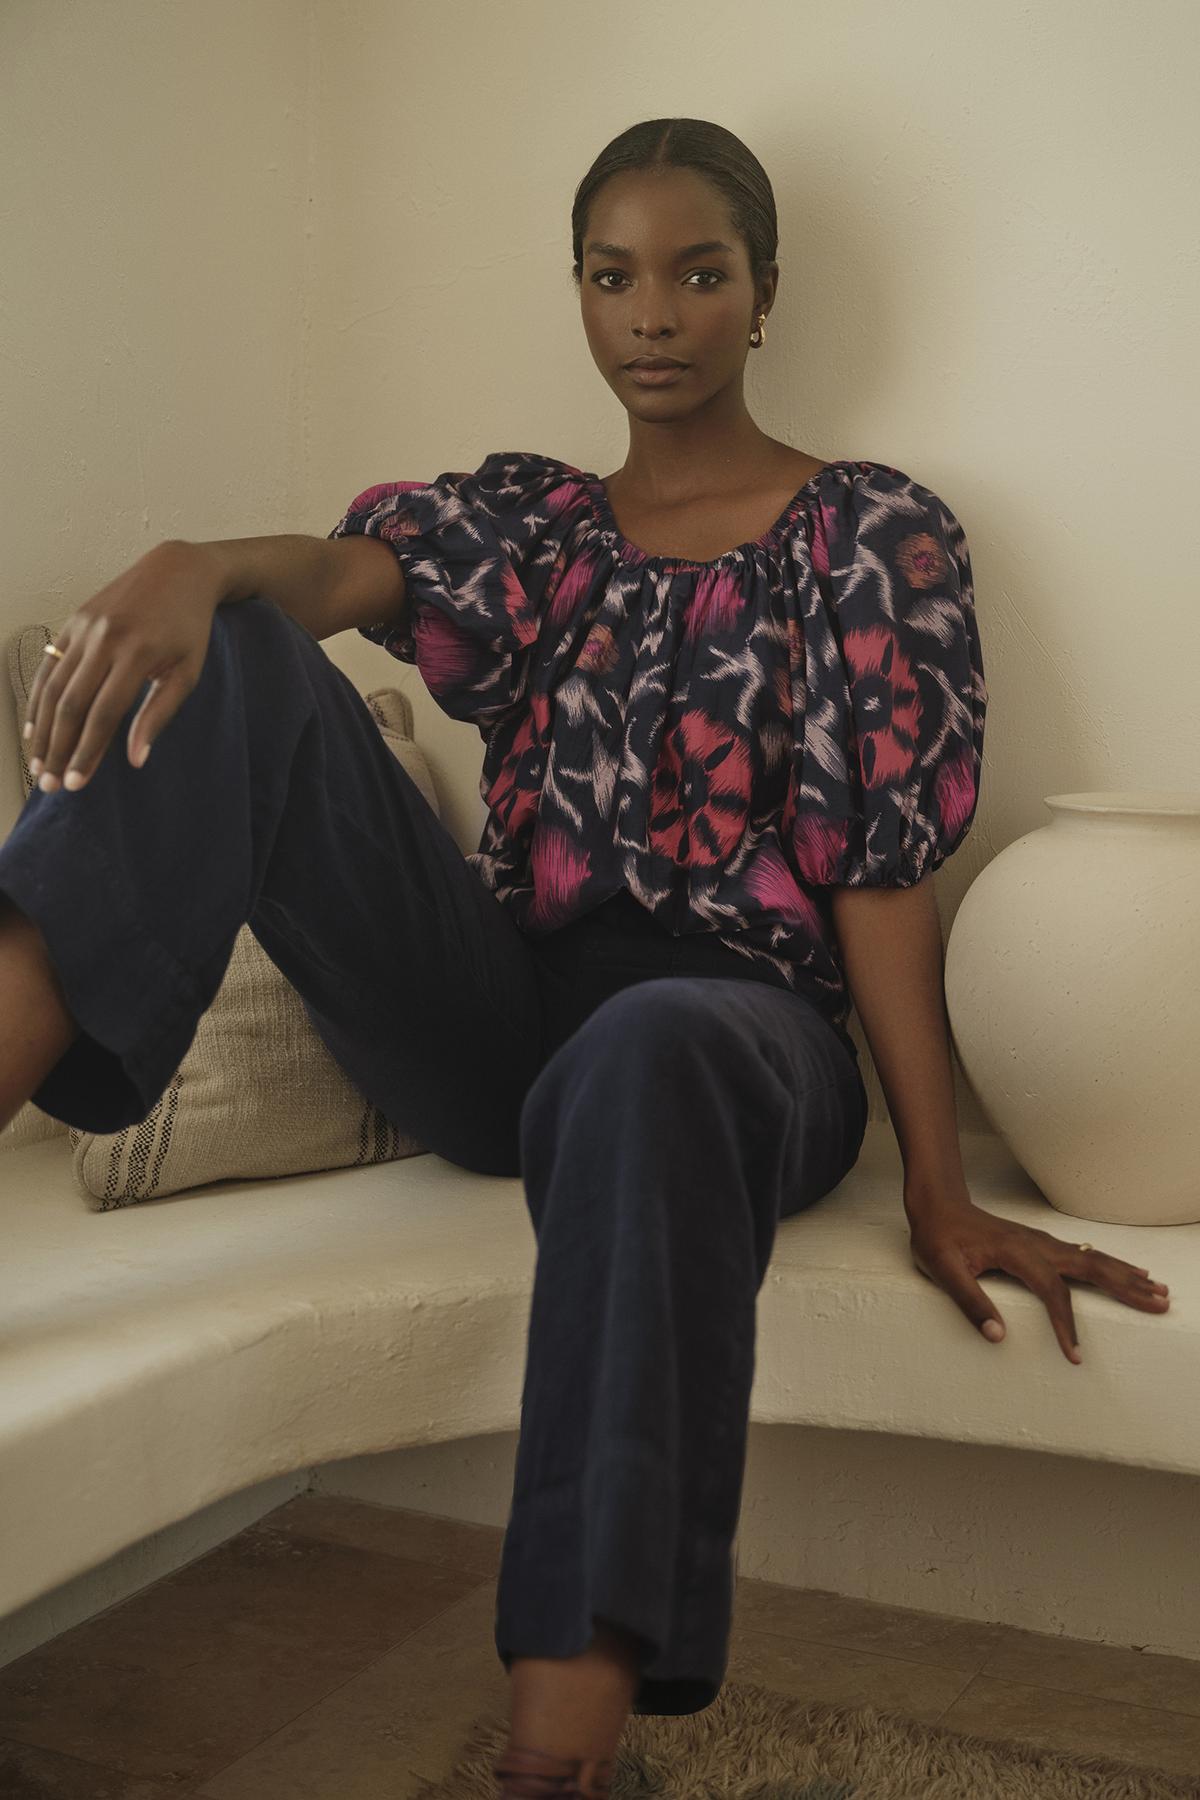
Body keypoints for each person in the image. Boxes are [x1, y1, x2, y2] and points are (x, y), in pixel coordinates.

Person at [1, 117, 1171, 1800]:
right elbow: (334, 579)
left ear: (763, 296)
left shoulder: (870, 536)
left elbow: (881, 872)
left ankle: (554, 1761)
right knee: (241, 655)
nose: (655, 314)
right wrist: (191, 567)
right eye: (614, 276)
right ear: (577, 294)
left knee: (652, 1046)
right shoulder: (536, 529)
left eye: (700, 273)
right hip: (506, 1020)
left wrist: (937, 1177)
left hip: (738, 1034)